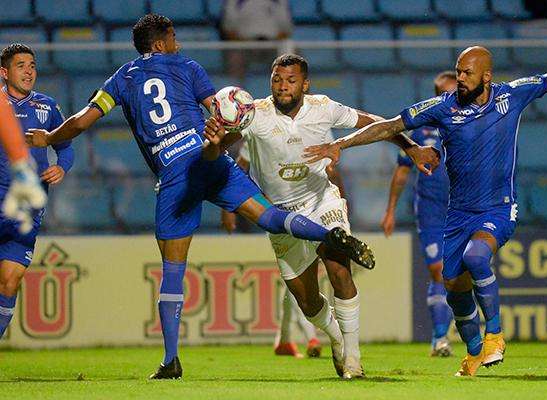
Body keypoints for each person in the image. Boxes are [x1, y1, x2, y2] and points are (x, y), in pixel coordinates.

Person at [27, 14, 375, 379]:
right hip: (210, 159)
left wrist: (49, 139)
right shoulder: (186, 66)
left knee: (173, 270)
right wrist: (219, 128)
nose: (178, 43)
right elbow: (222, 109)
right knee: (268, 215)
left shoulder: (121, 79)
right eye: (174, 37)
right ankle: (329, 235)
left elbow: (82, 121)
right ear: (160, 43)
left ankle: (171, 360)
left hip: (175, 174)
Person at [304, 46, 547, 376]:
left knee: (477, 256)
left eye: (467, 73)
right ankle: (472, 349)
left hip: (498, 209)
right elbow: (390, 126)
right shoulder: (442, 107)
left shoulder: (511, 96)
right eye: (458, 72)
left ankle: (495, 335)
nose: (461, 78)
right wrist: (341, 143)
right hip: (458, 214)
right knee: (453, 284)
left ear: (487, 76)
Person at [205, 53, 434, 378]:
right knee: (307, 300)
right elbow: (216, 154)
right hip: (280, 216)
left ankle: (353, 359)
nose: (282, 87)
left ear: (305, 84)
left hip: (321, 201)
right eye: (277, 79)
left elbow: (375, 123)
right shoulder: (253, 114)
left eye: (290, 80)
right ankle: (337, 338)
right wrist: (212, 143)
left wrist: (410, 146)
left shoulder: (324, 107)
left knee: (339, 267)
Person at [221, 141, 323, 359]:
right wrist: (228, 207)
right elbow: (240, 166)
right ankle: (311, 336)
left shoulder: (313, 122)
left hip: (313, 209)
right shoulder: (261, 130)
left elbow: (328, 166)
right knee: (299, 272)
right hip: (279, 214)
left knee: (296, 277)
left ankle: (284, 340)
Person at [0, 43, 73, 339]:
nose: (29, 71)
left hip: (26, 210)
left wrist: (62, 167)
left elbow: (66, 146)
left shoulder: (47, 106)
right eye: (21, 65)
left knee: (10, 280)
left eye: (32, 65)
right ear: (4, 72)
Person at [381, 70, 456, 357]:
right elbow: (401, 174)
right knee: (438, 270)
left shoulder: (469, 125)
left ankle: (468, 328)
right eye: (443, 93)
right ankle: (440, 338)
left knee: (462, 271)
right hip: (431, 210)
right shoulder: (420, 133)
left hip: (463, 207)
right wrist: (389, 210)